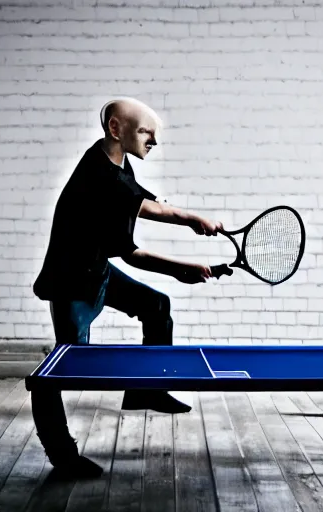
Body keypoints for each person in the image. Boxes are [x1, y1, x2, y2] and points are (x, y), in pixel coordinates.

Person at [31, 97, 223, 478]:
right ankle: (62, 456)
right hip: (72, 283)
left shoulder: (114, 158)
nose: (153, 141)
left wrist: (188, 218)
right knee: (59, 372)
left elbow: (137, 198)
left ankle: (147, 390)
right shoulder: (98, 176)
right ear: (115, 129)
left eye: (154, 133)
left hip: (95, 269)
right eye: (144, 132)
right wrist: (181, 267)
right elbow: (132, 253)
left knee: (156, 306)